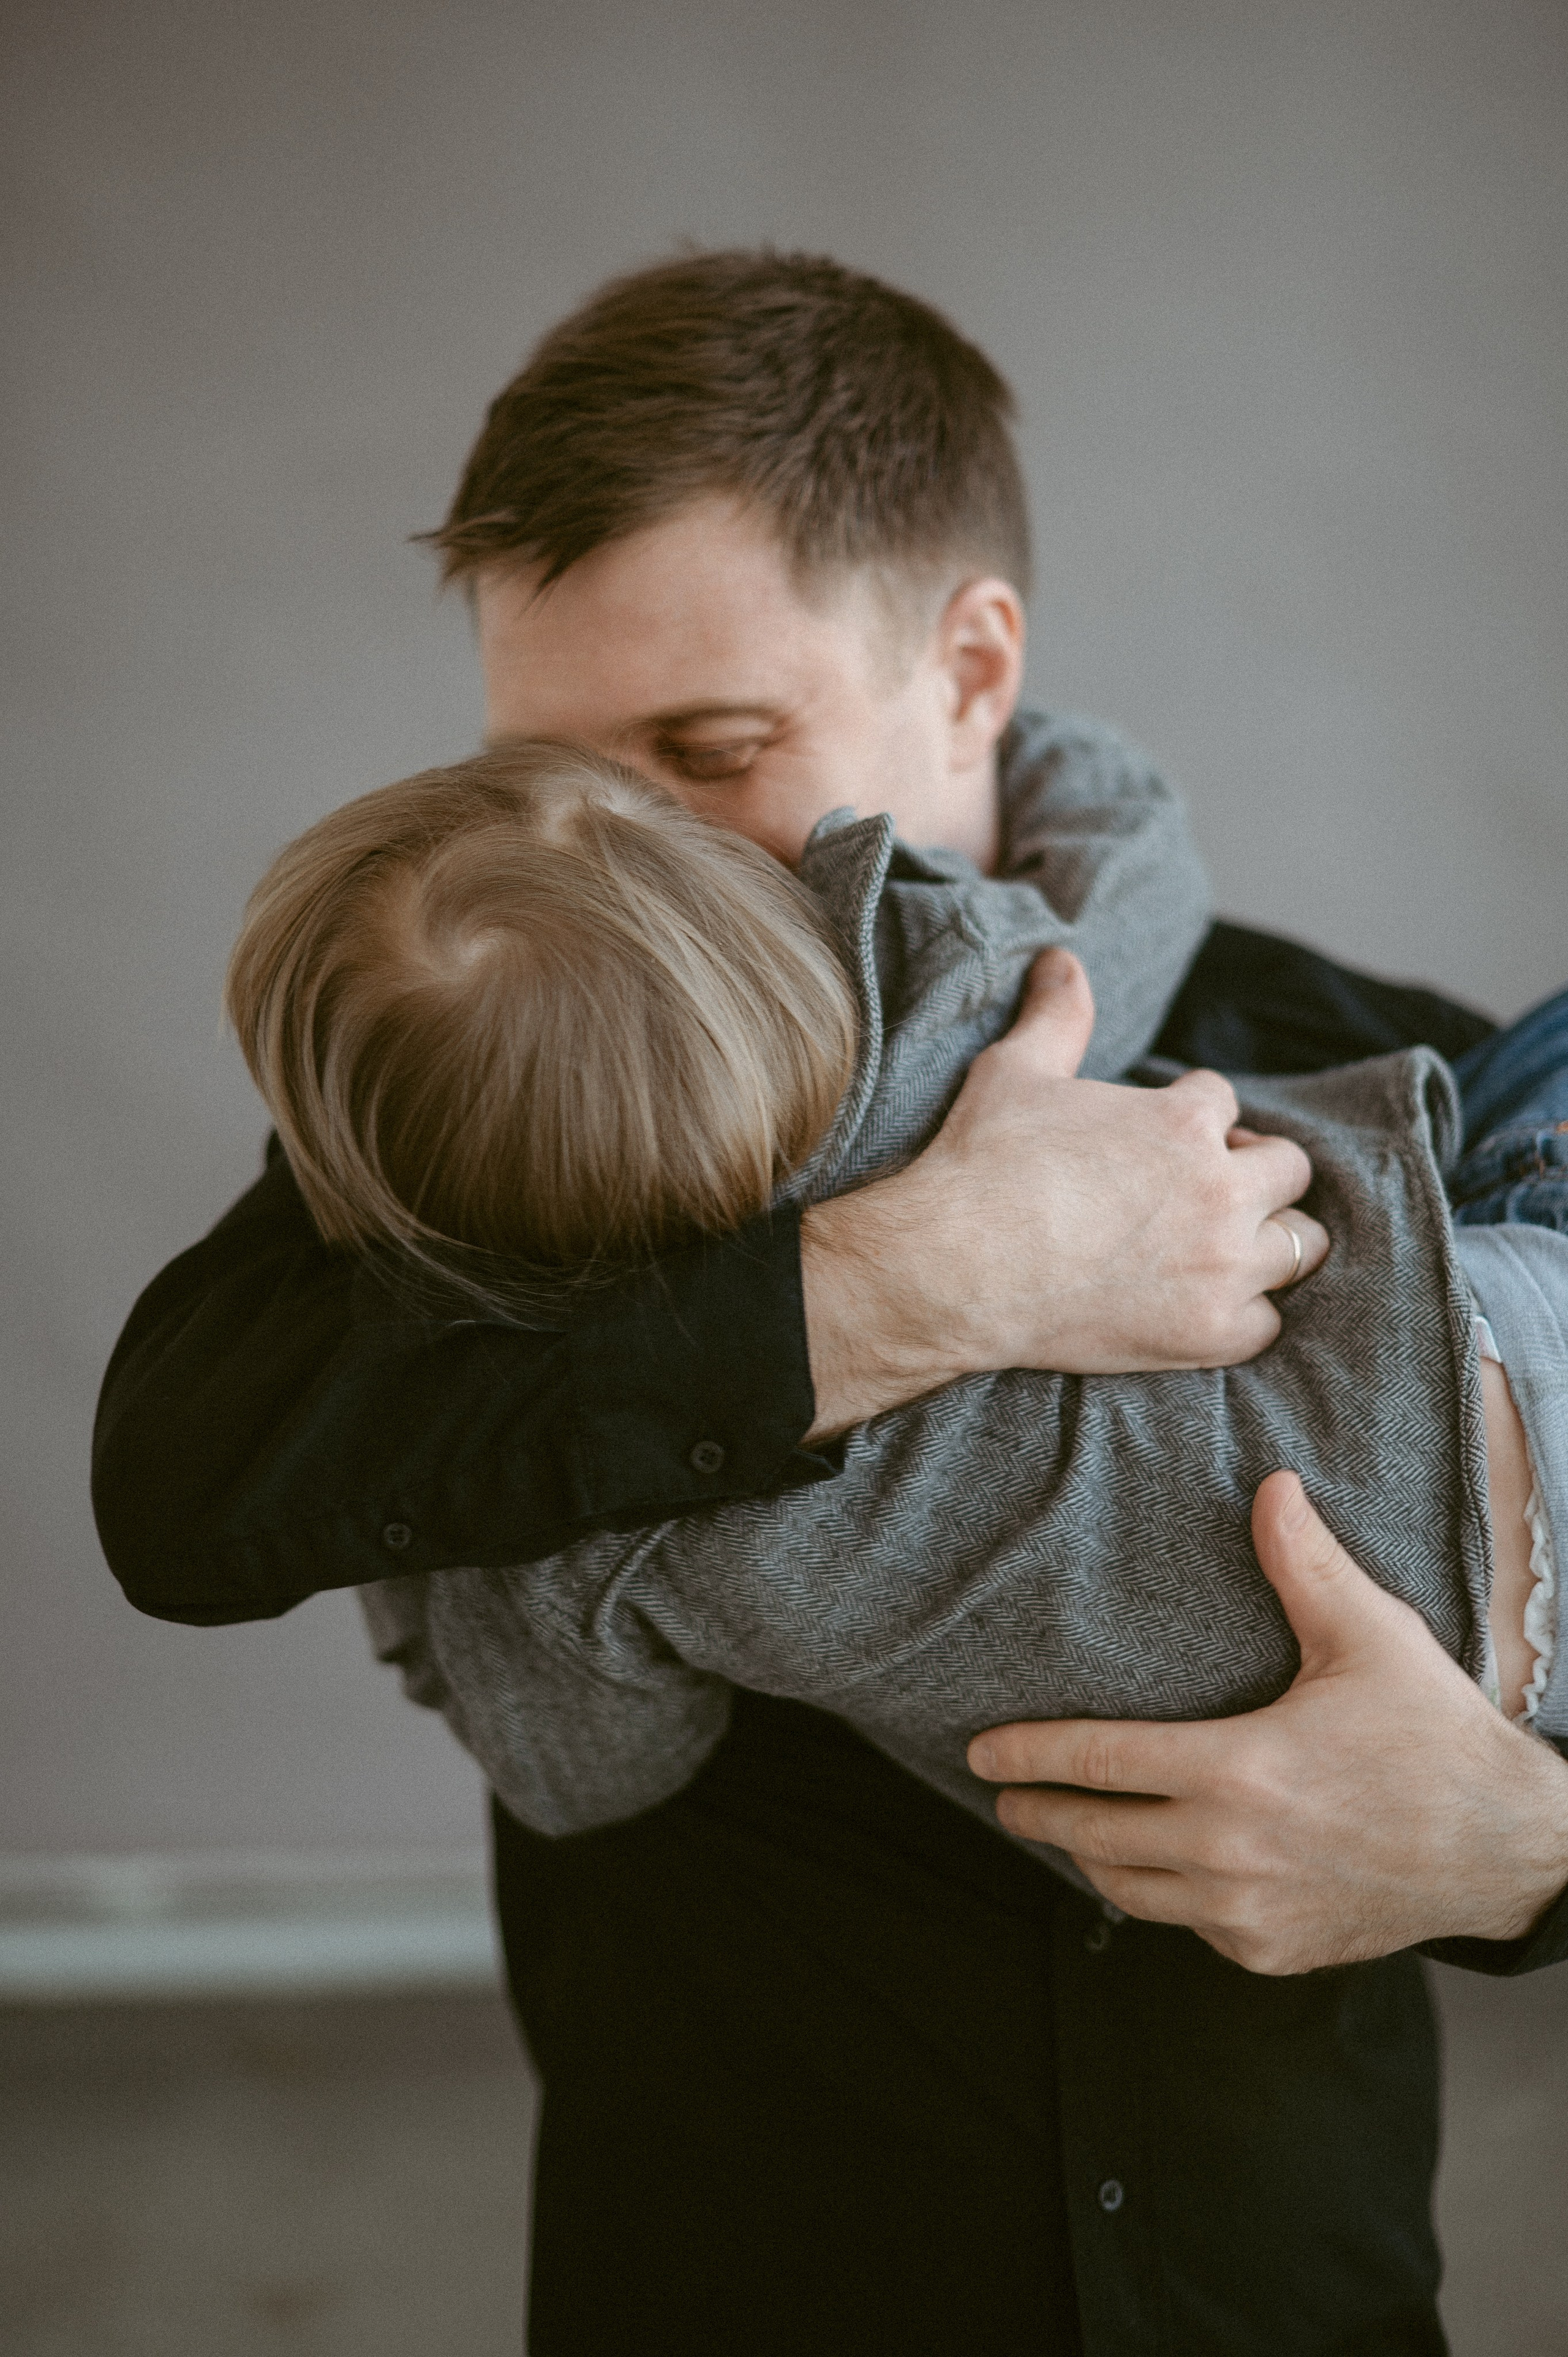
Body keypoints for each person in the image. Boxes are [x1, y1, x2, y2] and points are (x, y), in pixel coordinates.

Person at [92, 249, 1568, 2353]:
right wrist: (901, 1279)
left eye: (706, 748)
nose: (623, 863)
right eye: (551, 776)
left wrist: (1524, 1848)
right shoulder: (514, 1108)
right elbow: (181, 1484)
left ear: (970, 665)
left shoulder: (1355, 1066)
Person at [225, 730, 1562, 1833]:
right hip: (1502, 1322)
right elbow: (1138, 858)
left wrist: (418, 1576)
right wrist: (994, 727)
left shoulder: (562, 1533)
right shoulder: (935, 1011)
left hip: (1484, 1694)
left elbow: (586, 1777)